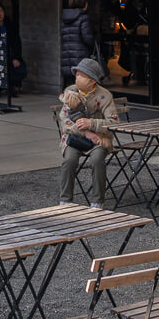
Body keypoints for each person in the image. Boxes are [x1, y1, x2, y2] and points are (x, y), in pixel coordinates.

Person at [58, 58, 122, 209]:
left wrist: (92, 123)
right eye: (77, 74)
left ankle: (97, 201)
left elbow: (114, 123)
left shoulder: (104, 96)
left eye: (82, 75)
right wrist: (84, 131)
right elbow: (64, 121)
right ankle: (65, 200)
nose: (77, 78)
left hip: (99, 139)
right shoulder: (70, 93)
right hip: (75, 138)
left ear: (92, 81)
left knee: (97, 159)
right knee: (69, 160)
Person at [59, 0, 98, 89]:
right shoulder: (84, 18)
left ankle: (69, 103)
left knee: (69, 87)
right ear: (84, 3)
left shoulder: (63, 17)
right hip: (80, 58)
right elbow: (88, 38)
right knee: (81, 87)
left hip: (66, 57)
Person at [0, 2, 26, 95]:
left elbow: (16, 42)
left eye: (1, 11)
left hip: (10, 54)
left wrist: (16, 57)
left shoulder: (9, 25)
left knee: (20, 69)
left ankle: (11, 86)